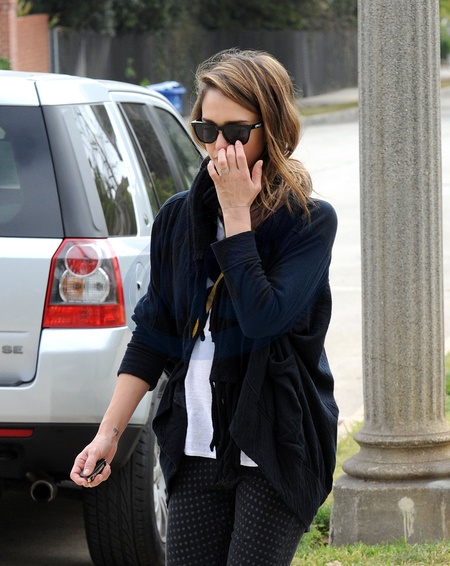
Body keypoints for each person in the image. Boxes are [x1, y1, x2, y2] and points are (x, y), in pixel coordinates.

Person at [71, 48, 338, 565]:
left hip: (276, 443)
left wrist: (237, 214)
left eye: (235, 132)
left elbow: (262, 318)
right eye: (206, 129)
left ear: (273, 129)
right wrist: (108, 434)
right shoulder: (178, 219)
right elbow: (154, 333)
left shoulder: (307, 222)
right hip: (195, 440)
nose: (218, 146)